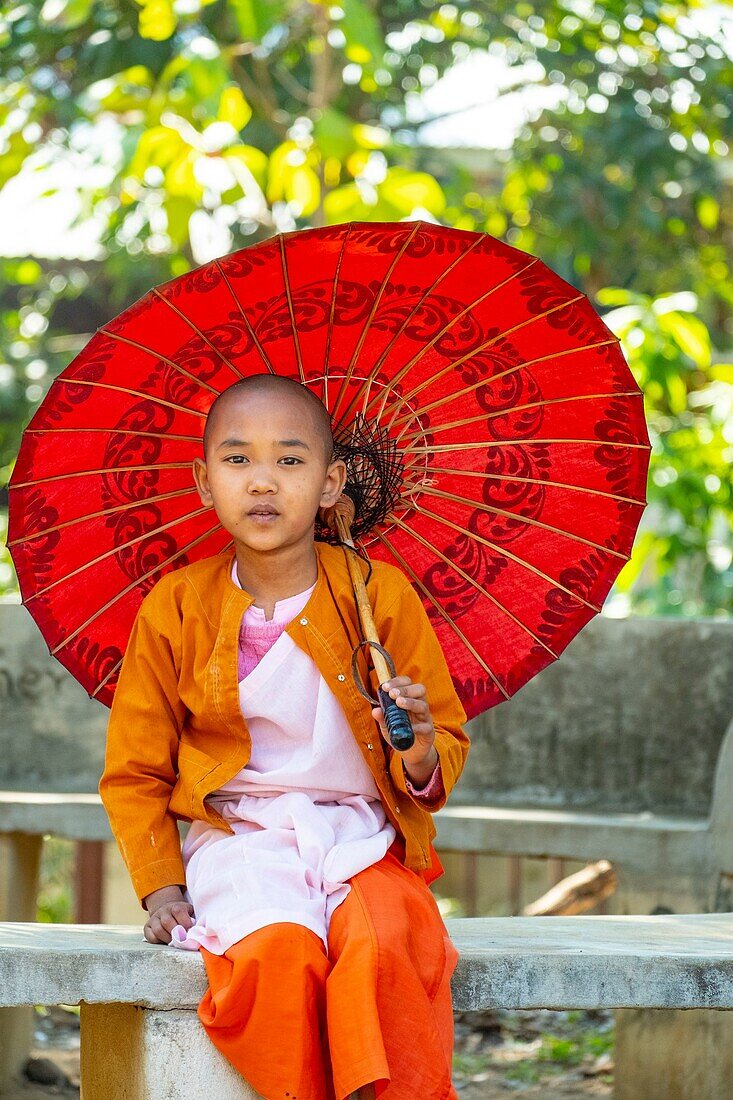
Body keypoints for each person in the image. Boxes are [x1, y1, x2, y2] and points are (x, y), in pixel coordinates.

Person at [98, 373, 470, 1100]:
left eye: (290, 461)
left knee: (387, 946)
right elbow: (135, 769)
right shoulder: (175, 606)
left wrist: (418, 747)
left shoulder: (377, 595)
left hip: (359, 836)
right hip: (239, 839)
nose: (262, 482)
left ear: (331, 484)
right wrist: (162, 888)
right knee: (276, 955)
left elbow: (439, 754)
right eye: (237, 460)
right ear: (204, 481)